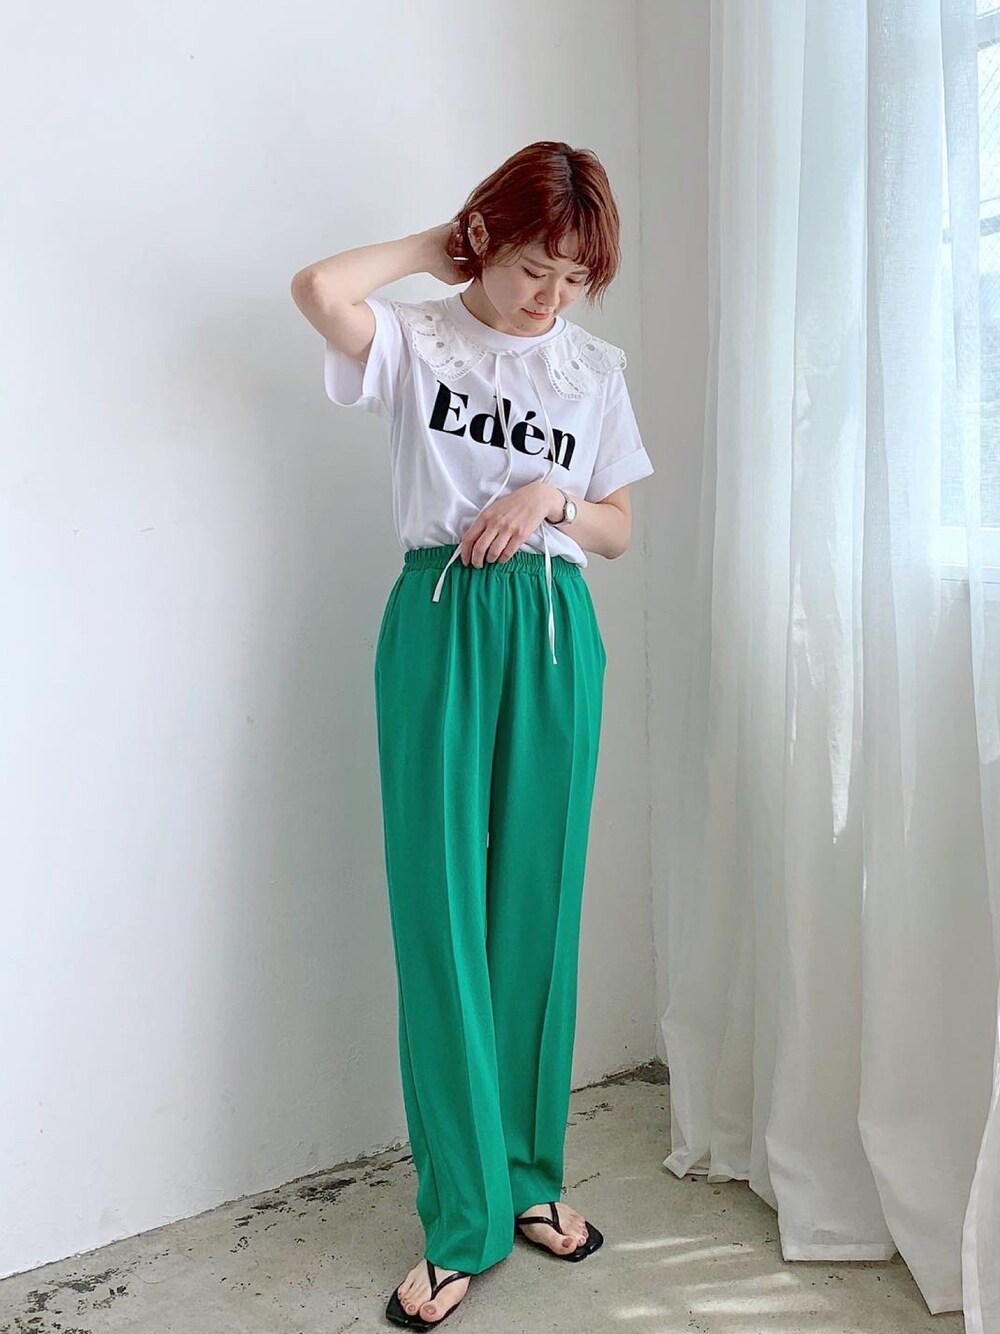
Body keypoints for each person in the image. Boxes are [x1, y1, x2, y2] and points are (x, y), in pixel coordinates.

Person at [290, 140, 654, 1330]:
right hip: (440, 616)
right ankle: (462, 1216)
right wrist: (435, 247)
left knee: (537, 907)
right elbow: (318, 290)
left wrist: (553, 497)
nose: (551, 298)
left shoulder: (591, 369)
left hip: (553, 626)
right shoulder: (418, 338)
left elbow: (618, 526)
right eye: (534, 268)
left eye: (574, 279)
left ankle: (529, 1175)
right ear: (485, 240)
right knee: (440, 911)